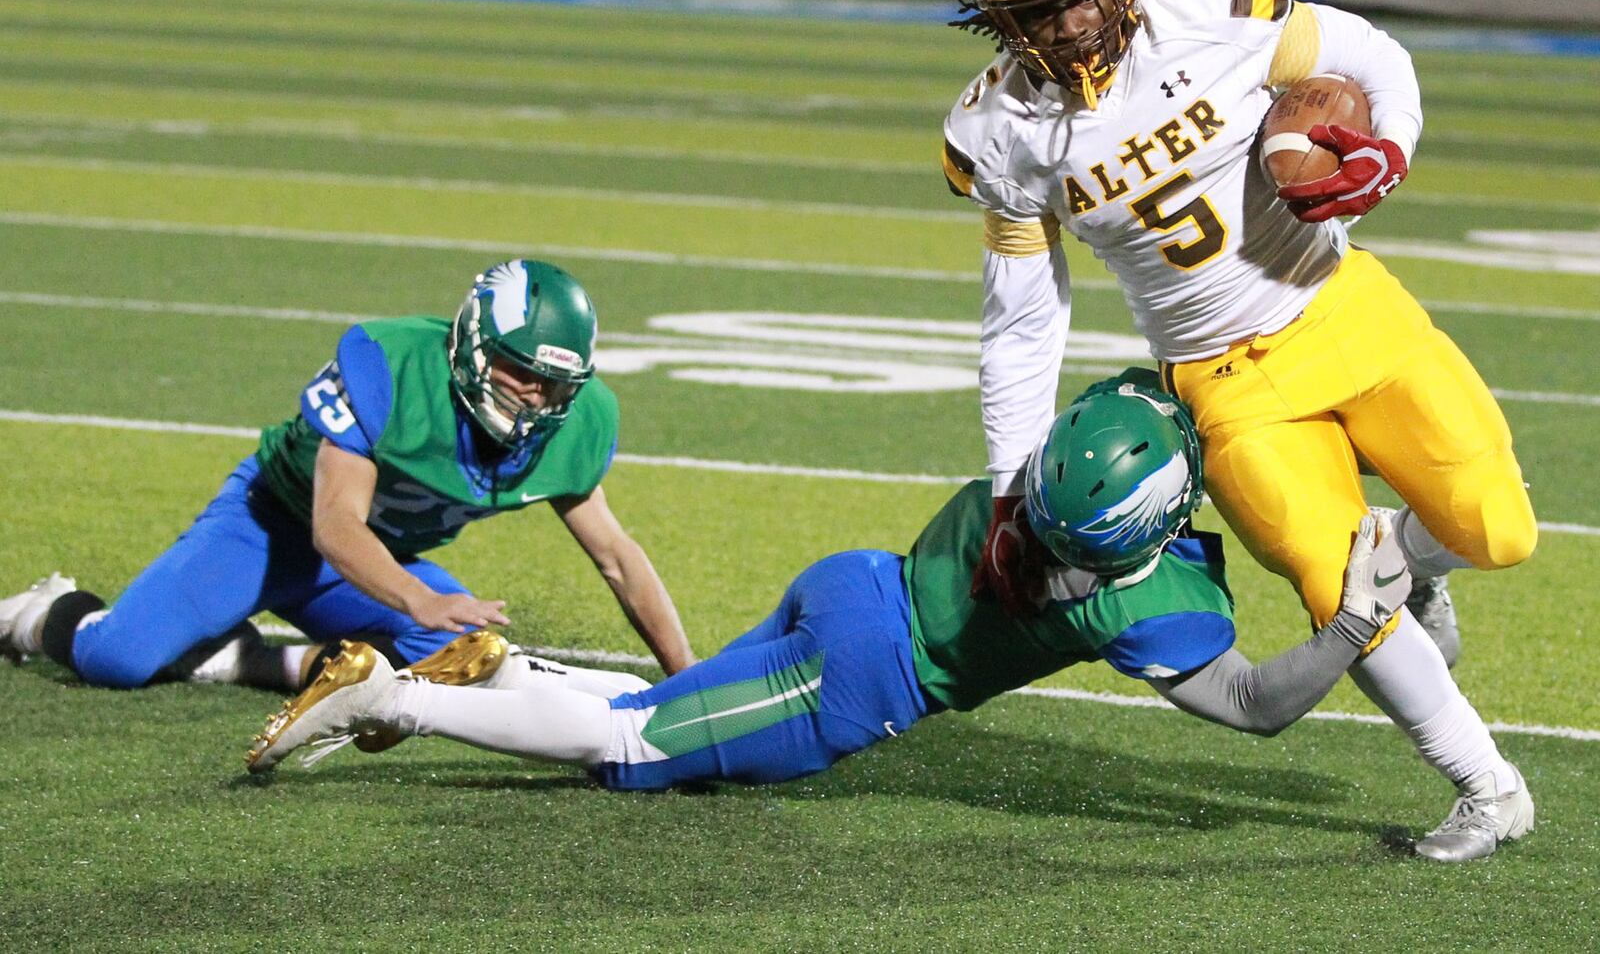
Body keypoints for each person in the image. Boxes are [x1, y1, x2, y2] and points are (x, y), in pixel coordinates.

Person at [243, 375, 1491, 859]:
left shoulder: (1053, 464)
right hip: (861, 681)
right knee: (629, 751)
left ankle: (497, 671)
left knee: (636, 718)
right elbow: (1257, 707)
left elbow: (1173, 402)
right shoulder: (1149, 590)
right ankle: (389, 693)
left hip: (854, 579)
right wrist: (1353, 622)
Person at [942, 0, 1538, 858]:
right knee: (1330, 580)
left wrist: (1386, 148)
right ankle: (1488, 785)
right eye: (1039, 12)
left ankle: (1412, 562)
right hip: (1222, 382)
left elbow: (1372, 55)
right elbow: (1023, 314)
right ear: (998, 21)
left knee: (1497, 529)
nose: (1075, 25)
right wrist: (1012, 484)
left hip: (1340, 303)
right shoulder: (1001, 129)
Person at [0, 259, 695, 702]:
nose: (537, 399)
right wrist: (418, 596)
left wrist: (688, 679)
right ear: (472, 347)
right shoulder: (390, 366)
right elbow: (334, 525)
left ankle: (245, 662)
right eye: (522, 373)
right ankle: (39, 614)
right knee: (119, 657)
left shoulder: (579, 423)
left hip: (368, 561)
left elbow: (617, 558)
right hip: (271, 527)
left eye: (555, 384)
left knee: (471, 661)